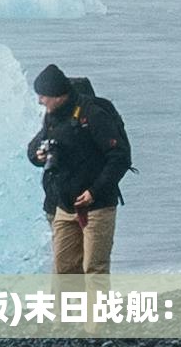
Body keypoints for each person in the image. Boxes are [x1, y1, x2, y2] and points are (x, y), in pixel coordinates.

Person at [27, 63, 130, 278]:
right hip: (64, 206)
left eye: (43, 96)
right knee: (64, 270)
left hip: (97, 206)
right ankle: (67, 312)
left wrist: (94, 191)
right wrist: (38, 156)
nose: (40, 101)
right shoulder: (51, 117)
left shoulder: (92, 114)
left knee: (94, 270)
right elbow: (35, 148)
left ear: (57, 95)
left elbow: (119, 157)